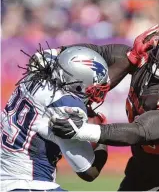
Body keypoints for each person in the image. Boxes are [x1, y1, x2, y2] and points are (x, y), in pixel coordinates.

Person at [49, 21, 159, 190]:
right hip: (145, 174)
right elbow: (101, 53)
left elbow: (140, 131)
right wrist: (54, 54)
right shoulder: (147, 57)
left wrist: (83, 130)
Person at [0, 46, 109, 191]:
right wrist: (102, 135)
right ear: (76, 85)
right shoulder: (64, 106)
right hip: (30, 184)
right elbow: (89, 172)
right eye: (93, 90)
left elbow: (51, 53)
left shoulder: (34, 75)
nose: (94, 96)